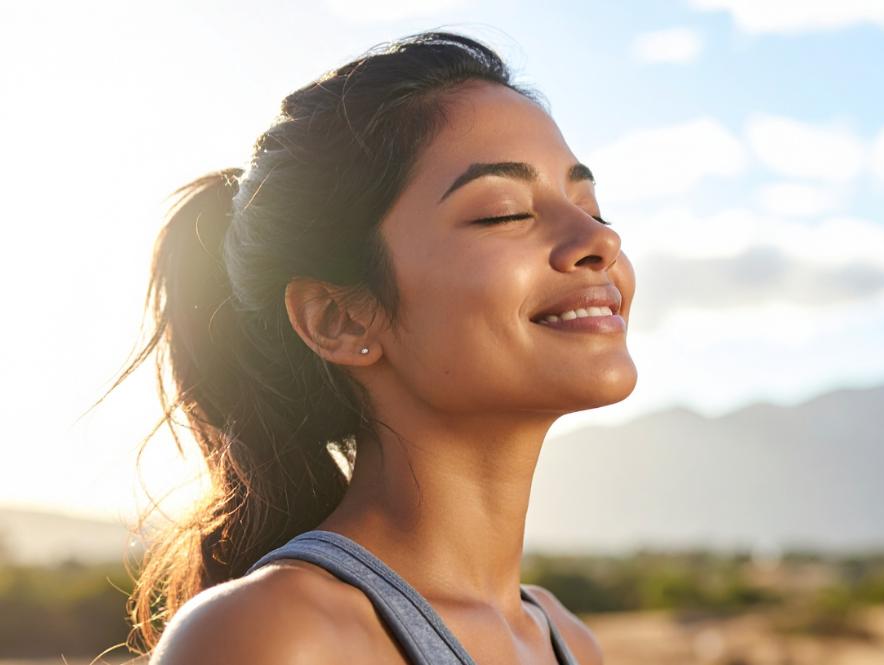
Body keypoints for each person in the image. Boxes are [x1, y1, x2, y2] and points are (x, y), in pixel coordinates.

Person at [111, 30, 636, 665]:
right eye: (502, 212)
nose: (597, 240)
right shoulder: (275, 637)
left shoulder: (565, 639)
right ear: (339, 319)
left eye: (592, 206)